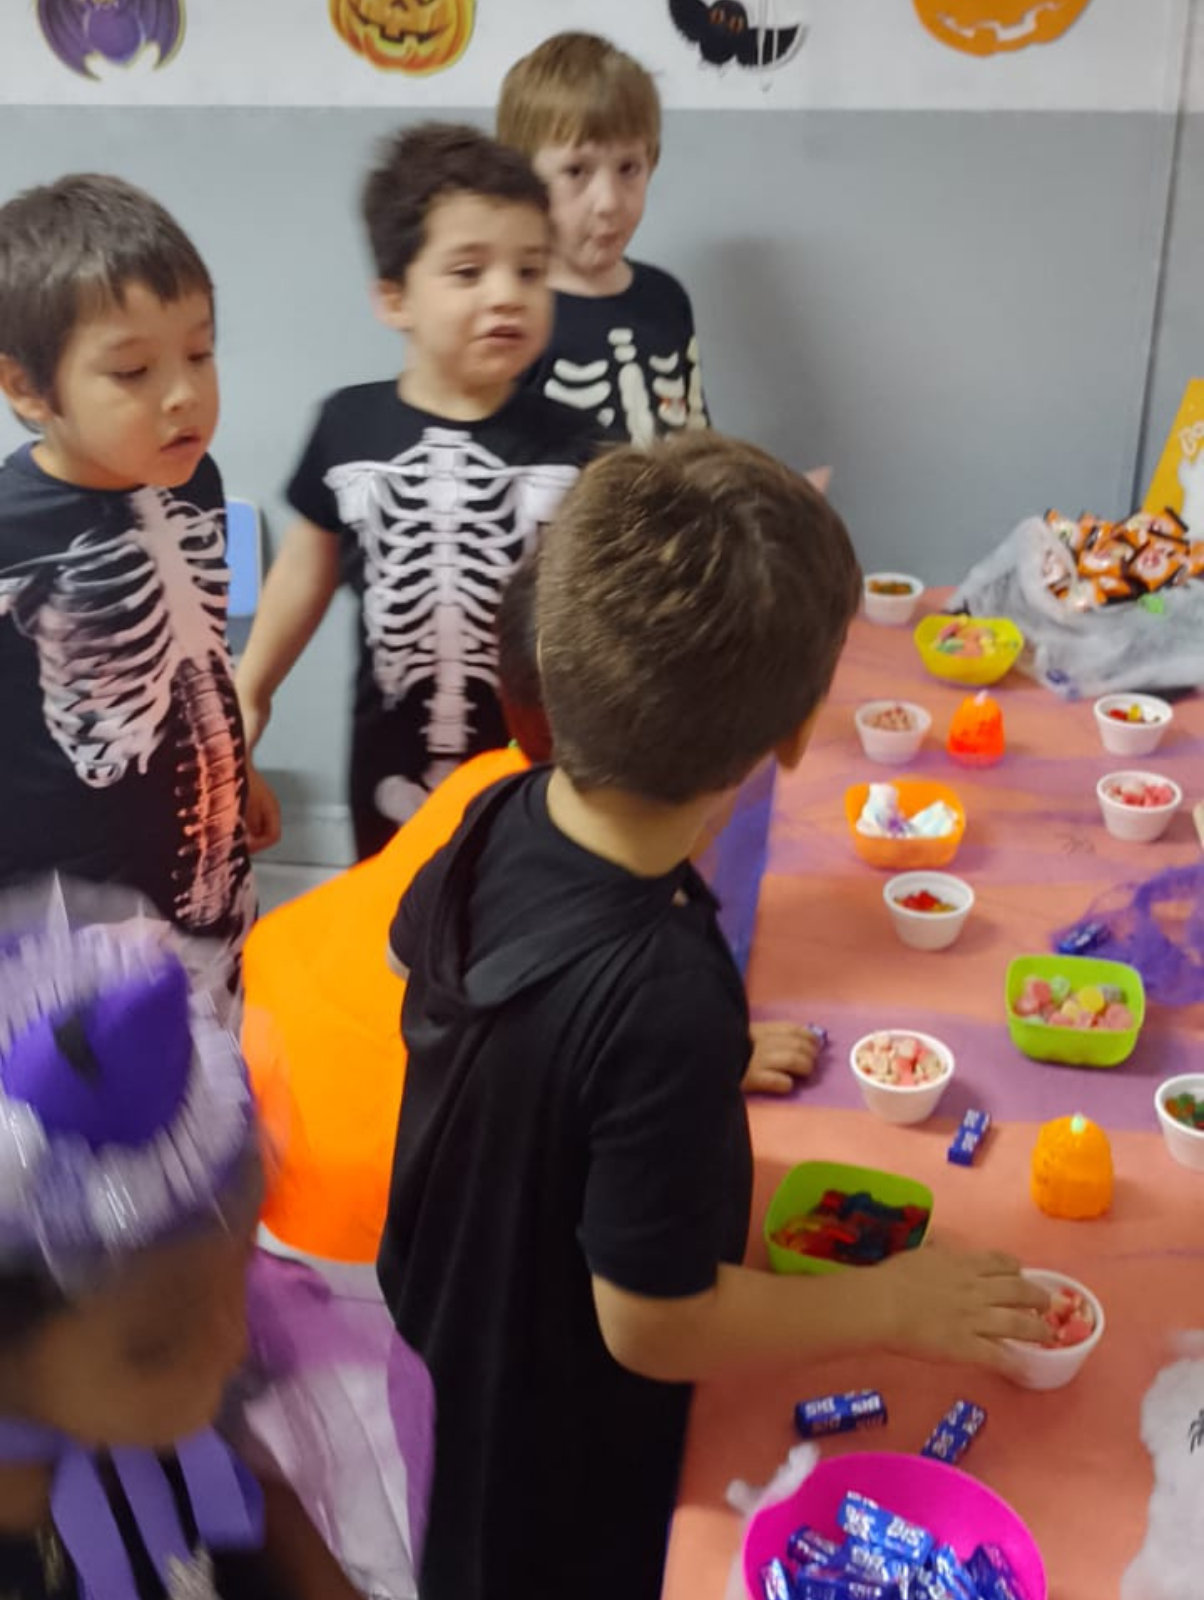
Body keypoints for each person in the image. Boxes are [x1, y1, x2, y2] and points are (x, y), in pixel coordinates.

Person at [378, 433, 1051, 1600]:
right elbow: (653, 1322)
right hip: (547, 1466)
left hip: (439, 1353)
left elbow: (477, 999)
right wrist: (889, 1302)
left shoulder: (503, 813)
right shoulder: (665, 997)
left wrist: (652, 1086)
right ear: (791, 736)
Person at [234, 123, 599, 861]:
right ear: (394, 298)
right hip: (388, 765)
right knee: (396, 908)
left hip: (541, 766)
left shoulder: (575, 442)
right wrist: (250, 692)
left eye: (530, 271)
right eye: (468, 272)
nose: (507, 294)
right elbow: (307, 568)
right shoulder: (347, 425)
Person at [0, 880, 366, 1600]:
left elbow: (267, 1530)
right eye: (156, 1346)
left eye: (241, 1284)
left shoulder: (170, 1434)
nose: (235, 1345)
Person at [0, 174, 275, 1021]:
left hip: (213, 889)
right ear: (28, 390)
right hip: (73, 934)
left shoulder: (196, 481)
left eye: (200, 354)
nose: (184, 393)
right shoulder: (9, 531)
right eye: (133, 370)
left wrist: (238, 767)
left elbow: (203, 654)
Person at [498, 31, 708, 445]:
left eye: (629, 168)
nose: (609, 202)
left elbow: (699, 432)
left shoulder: (666, 298)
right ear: (523, 179)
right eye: (576, 171)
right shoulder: (511, 310)